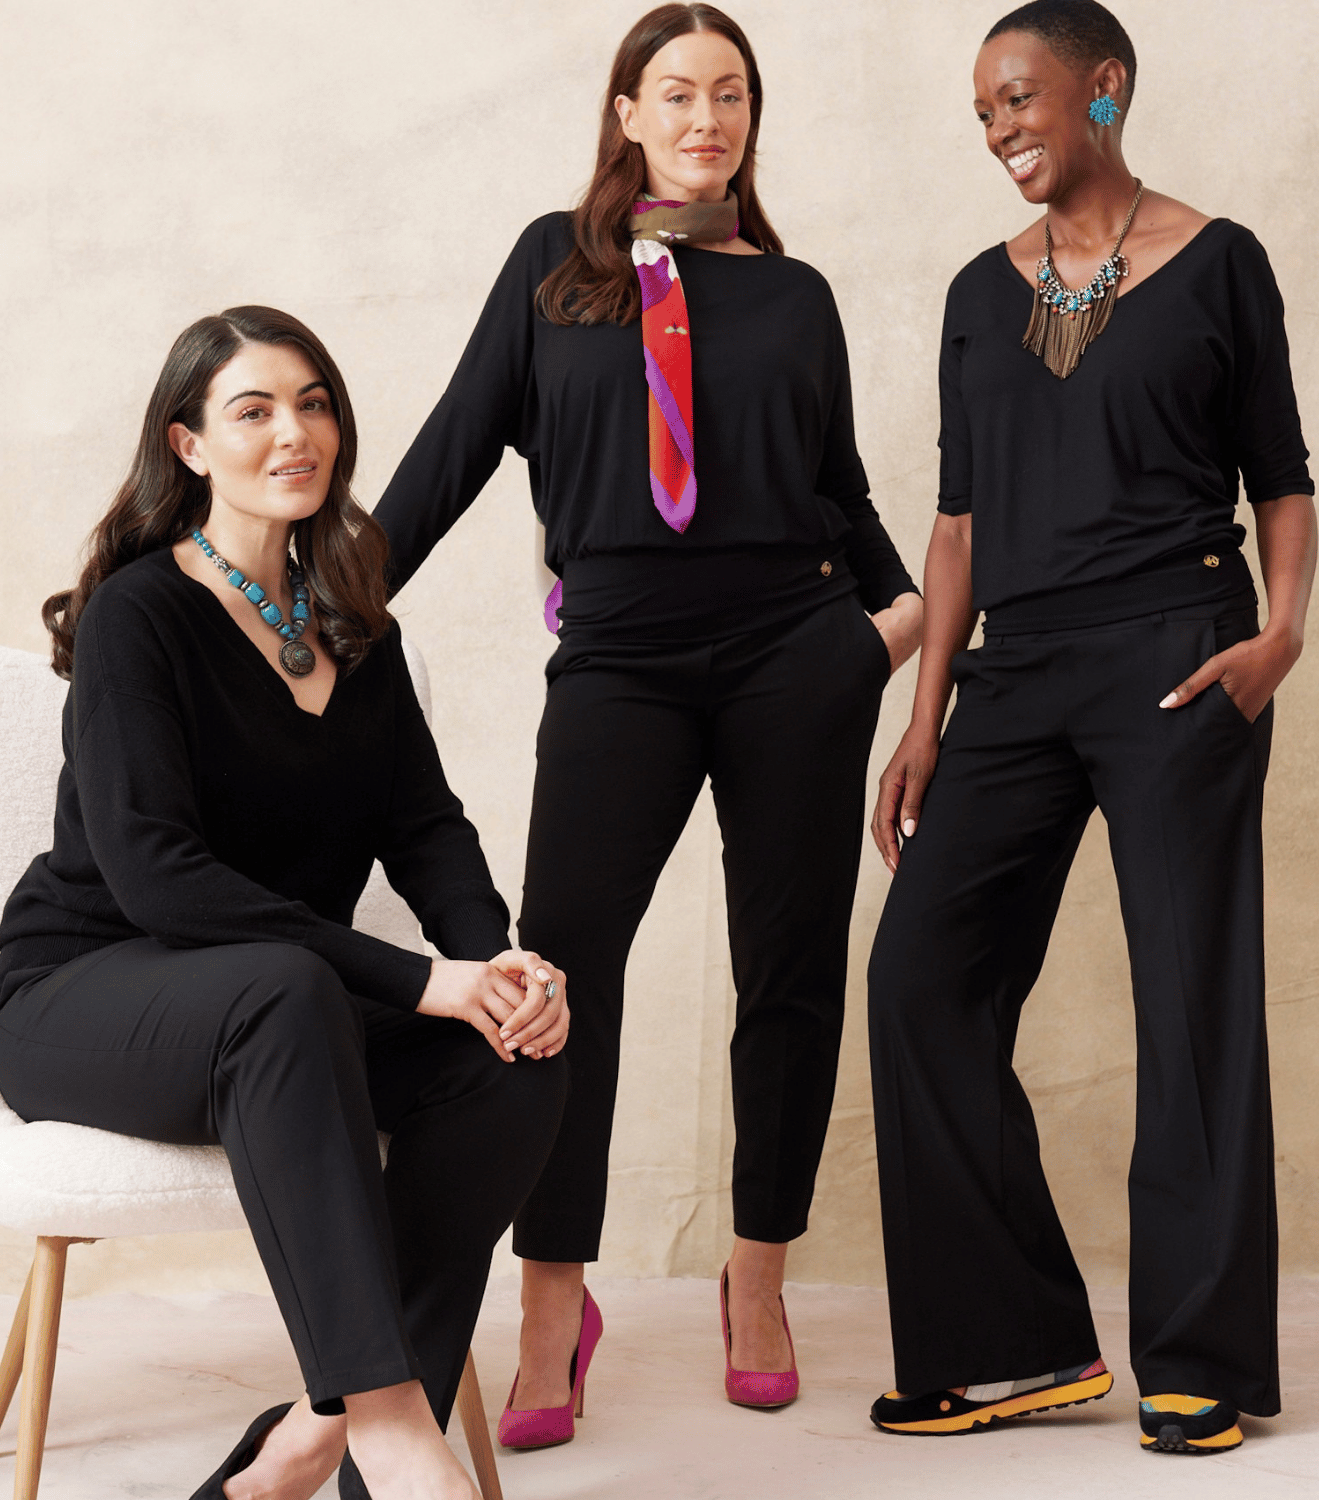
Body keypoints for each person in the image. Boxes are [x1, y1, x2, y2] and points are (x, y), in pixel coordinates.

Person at [374, 1, 924, 1447]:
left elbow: (845, 493)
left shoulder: (794, 296)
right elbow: (450, 447)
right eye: (673, 90)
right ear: (625, 111)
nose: (703, 116)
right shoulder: (554, 271)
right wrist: (312, 606)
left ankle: (759, 1276)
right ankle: (554, 1296)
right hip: (619, 653)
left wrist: (894, 632)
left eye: (728, 93)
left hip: (791, 656)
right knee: (561, 973)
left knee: (790, 966)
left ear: (751, 117)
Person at [0, 305, 572, 1500]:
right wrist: (417, 980)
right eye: (251, 410)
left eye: (312, 403)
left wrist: (490, 967)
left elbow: (425, 827)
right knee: (289, 983)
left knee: (515, 1053)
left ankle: (311, 1433)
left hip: (272, 1013)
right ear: (189, 445)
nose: (292, 432)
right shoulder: (137, 616)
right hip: (85, 999)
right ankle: (399, 1433)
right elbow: (155, 876)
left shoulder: (355, 626)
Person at [862, 0, 1319, 1458]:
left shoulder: (1219, 264)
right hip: (1014, 671)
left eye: (1021, 97)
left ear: (1103, 89)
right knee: (922, 979)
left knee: (1190, 1007)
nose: (998, 127)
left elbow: (1282, 480)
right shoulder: (974, 293)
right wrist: (925, 716)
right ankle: (1015, 1347)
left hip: (1179, 653)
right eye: (983, 110)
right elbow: (957, 523)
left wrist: (1280, 638)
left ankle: (1197, 1359)